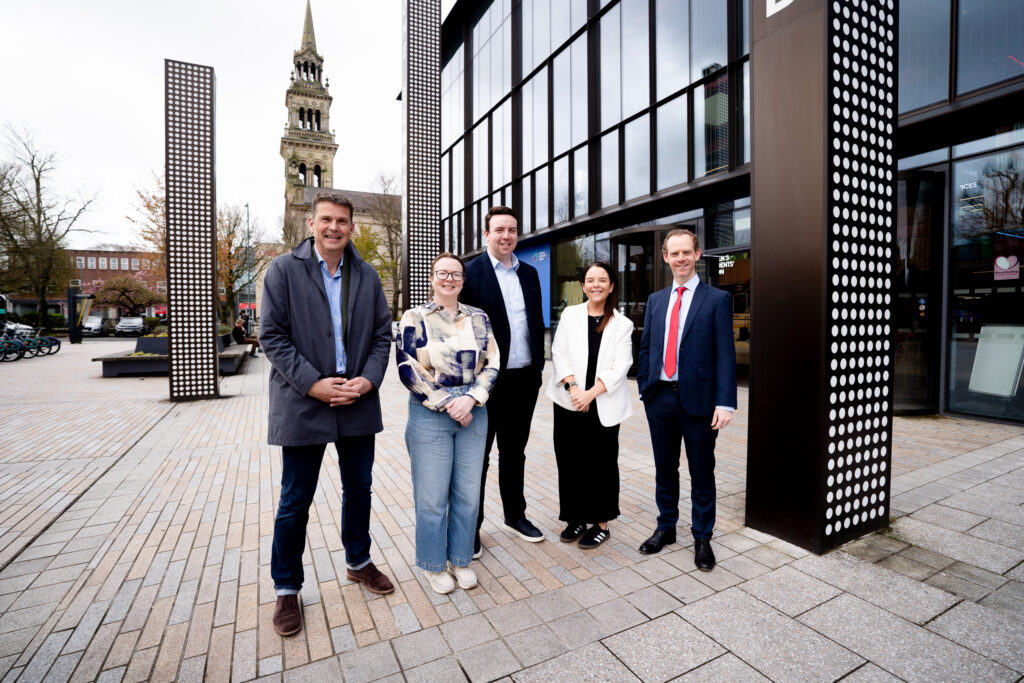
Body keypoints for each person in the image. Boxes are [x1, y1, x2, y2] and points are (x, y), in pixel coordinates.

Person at [260, 193, 395, 637]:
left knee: (360, 488)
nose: (334, 227)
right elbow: (272, 337)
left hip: (356, 397)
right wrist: (313, 383)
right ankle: (286, 587)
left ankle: (358, 561)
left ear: (352, 228)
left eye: (342, 221)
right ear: (312, 223)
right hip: (304, 399)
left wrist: (369, 380)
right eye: (326, 220)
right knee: (295, 498)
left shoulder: (368, 275)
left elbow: (381, 337)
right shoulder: (283, 270)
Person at [396, 253, 499, 594]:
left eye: (455, 274)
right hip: (430, 415)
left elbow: (492, 362)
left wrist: (471, 399)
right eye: (442, 273)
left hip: (474, 412)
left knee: (468, 494)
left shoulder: (479, 318)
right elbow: (408, 367)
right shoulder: (415, 316)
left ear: (463, 280)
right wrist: (447, 402)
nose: (449, 279)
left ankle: (461, 558)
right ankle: (432, 564)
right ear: (432, 278)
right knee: (432, 497)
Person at [636, 228, 736, 570]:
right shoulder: (656, 300)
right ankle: (666, 528)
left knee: (701, 471)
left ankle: (702, 536)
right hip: (660, 399)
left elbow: (726, 355)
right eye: (673, 253)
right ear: (665, 258)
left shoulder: (717, 300)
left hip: (700, 403)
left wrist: (726, 403)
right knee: (665, 469)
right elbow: (647, 346)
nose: (680, 258)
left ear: (696, 254)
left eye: (685, 252)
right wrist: (646, 389)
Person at [460, 206, 546, 551]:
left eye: (512, 230)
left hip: (524, 380)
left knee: (515, 452)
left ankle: (515, 514)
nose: (506, 236)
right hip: (486, 383)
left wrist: (539, 369)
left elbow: (533, 323)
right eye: (499, 230)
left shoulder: (529, 273)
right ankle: (472, 526)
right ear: (486, 234)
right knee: (477, 457)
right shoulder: (471, 273)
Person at [545, 262, 634, 549]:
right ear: (583, 285)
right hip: (569, 400)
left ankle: (601, 523)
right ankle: (575, 518)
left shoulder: (622, 323)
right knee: (570, 461)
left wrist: (590, 394)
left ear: (611, 286)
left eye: (602, 280)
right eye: (590, 280)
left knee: (602, 464)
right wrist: (573, 388)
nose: (596, 285)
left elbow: (622, 365)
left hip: (602, 402)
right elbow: (558, 353)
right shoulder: (570, 315)